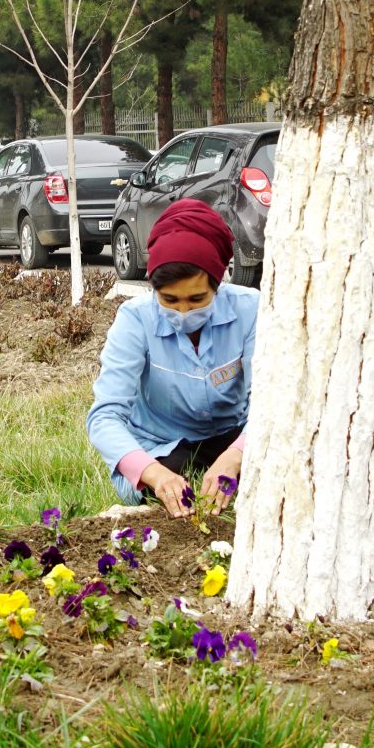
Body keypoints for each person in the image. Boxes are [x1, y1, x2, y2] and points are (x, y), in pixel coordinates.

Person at [87, 199, 253, 519]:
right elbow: (105, 417)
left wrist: (235, 457)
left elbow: (272, 404)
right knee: (176, 481)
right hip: (165, 447)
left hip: (236, 436)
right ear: (153, 289)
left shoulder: (250, 311)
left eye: (197, 299)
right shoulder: (135, 319)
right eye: (170, 300)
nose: (183, 312)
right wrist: (155, 474)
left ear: (218, 285)